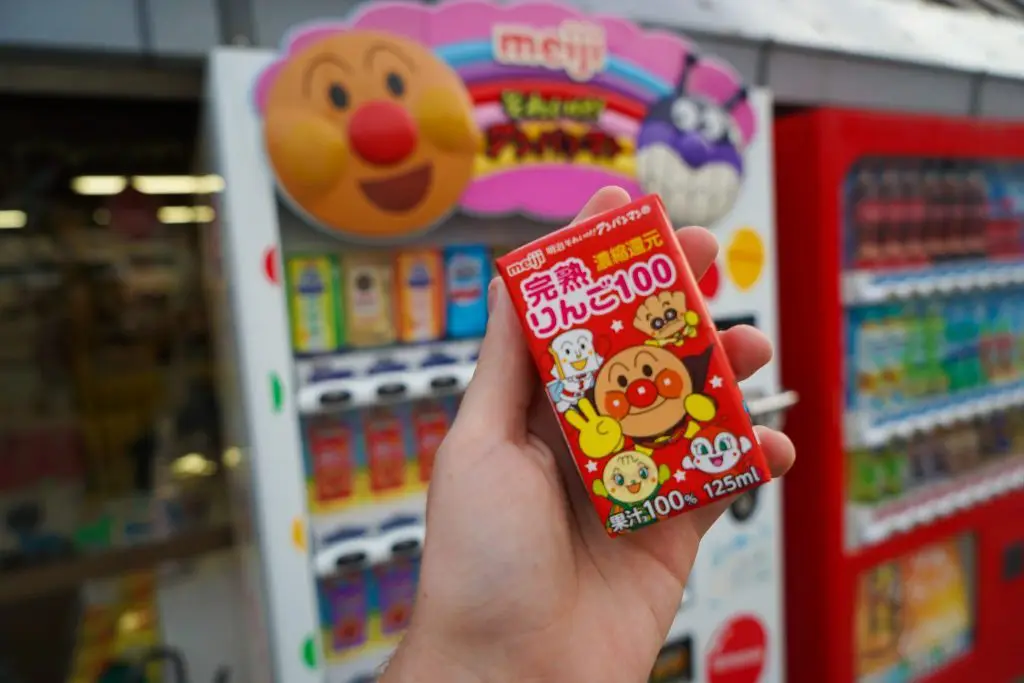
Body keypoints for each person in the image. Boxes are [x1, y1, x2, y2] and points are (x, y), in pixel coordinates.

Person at [380, 187, 796, 683]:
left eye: (648, 370)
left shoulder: (684, 390)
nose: (640, 386)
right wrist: (477, 652)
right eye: (623, 381)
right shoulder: (597, 421)